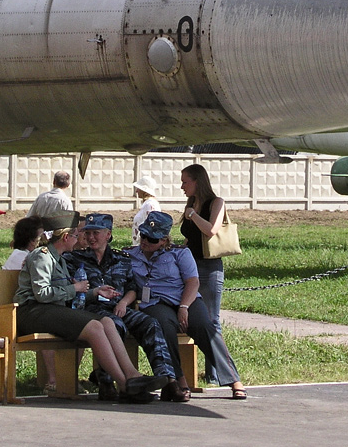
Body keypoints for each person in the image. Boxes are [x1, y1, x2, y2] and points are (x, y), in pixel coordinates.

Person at [14, 217, 167, 402]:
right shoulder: (42, 256)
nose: (81, 239)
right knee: (95, 327)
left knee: (107, 322)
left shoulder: (59, 260)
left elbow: (65, 294)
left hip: (52, 311)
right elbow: (42, 294)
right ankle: (125, 386)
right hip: (32, 312)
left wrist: (94, 292)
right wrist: (75, 288)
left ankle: (132, 375)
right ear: (65, 237)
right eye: (77, 235)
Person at [126, 211, 247, 400]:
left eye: (152, 239)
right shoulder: (130, 255)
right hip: (155, 301)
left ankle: (233, 379)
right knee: (163, 327)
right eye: (144, 236)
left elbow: (192, 282)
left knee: (205, 326)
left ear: (165, 240)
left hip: (185, 299)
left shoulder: (180, 253)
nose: (146, 241)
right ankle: (177, 381)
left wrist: (183, 307)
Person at [65, 213, 179, 403]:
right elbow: (73, 290)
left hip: (119, 307)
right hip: (90, 310)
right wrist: (95, 292)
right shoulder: (73, 259)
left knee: (149, 323)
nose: (91, 238)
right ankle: (109, 381)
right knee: (115, 325)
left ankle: (167, 378)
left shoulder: (122, 258)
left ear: (108, 234)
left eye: (96, 233)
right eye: (88, 233)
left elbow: (132, 288)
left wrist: (124, 302)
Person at [179, 163, 228, 384]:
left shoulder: (216, 203)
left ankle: (216, 373)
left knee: (211, 319)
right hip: (190, 267)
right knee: (189, 317)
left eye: (185, 182)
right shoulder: (191, 203)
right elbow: (189, 237)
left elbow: (211, 230)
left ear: (197, 181)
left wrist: (193, 215)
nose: (182, 187)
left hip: (209, 267)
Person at [2, 215, 57, 392]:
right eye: (42, 235)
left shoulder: (28, 255)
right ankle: (54, 379)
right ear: (31, 238)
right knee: (49, 327)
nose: (45, 239)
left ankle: (63, 377)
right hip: (14, 312)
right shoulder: (24, 257)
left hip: (29, 307)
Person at [131, 175, 161, 245]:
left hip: (145, 246)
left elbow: (151, 227)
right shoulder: (147, 204)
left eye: (138, 188)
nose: (136, 191)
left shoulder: (150, 205)